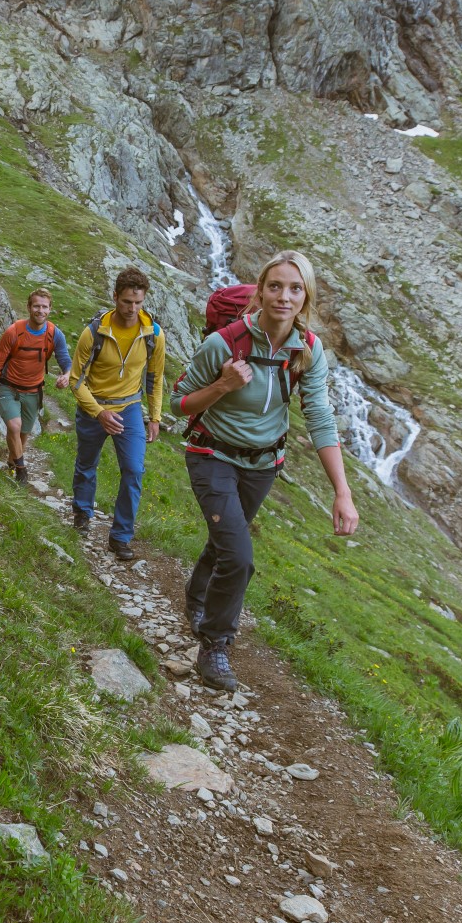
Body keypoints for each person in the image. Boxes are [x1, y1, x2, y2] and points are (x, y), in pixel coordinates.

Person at [173, 250, 358, 692]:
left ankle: (197, 599)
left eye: (295, 288)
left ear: (306, 298)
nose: (284, 296)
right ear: (260, 291)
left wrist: (342, 492)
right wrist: (222, 385)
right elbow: (178, 402)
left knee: (226, 546)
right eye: (275, 286)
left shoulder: (308, 352)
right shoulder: (224, 343)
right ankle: (215, 645)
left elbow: (319, 418)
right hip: (211, 455)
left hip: (263, 465)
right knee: (239, 555)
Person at [63, 267, 167, 561]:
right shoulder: (93, 332)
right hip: (94, 405)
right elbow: (75, 380)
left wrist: (155, 417)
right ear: (115, 298)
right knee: (86, 463)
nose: (132, 309)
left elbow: (155, 378)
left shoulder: (153, 334)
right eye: (126, 302)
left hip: (130, 408)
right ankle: (82, 513)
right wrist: (98, 413)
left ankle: (120, 537)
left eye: (138, 303)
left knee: (134, 470)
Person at [0, 289, 71, 482]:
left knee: (23, 433)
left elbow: (65, 360)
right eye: (36, 306)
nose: (40, 310)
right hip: (8, 387)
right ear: (29, 307)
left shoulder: (54, 334)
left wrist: (67, 375)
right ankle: (22, 471)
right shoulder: (14, 332)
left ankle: (11, 464)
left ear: (50, 309)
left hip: (33, 391)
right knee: (14, 427)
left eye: (44, 307)